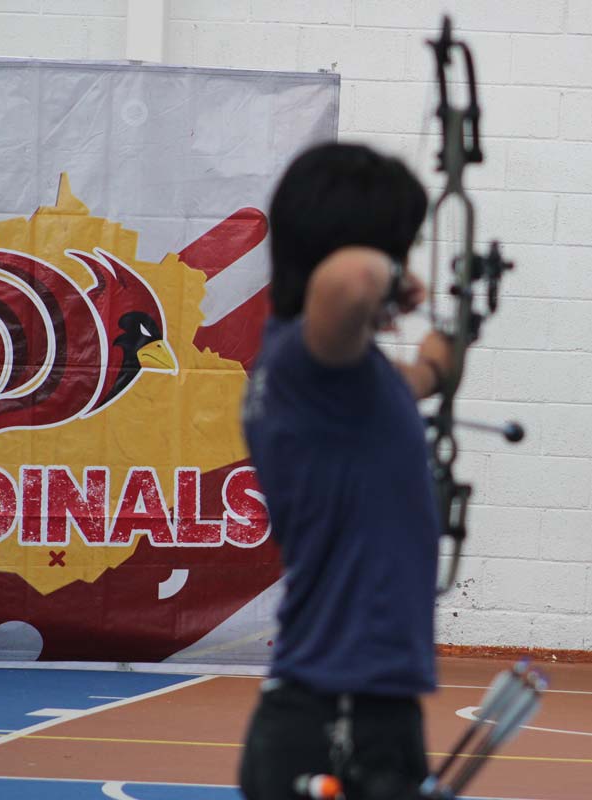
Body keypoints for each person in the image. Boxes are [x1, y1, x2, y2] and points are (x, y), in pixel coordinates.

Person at [238, 142, 453, 800]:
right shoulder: (307, 361)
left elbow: (417, 380)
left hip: (354, 711)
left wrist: (444, 349)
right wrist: (396, 274)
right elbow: (353, 280)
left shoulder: (343, 378)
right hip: (337, 717)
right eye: (400, 246)